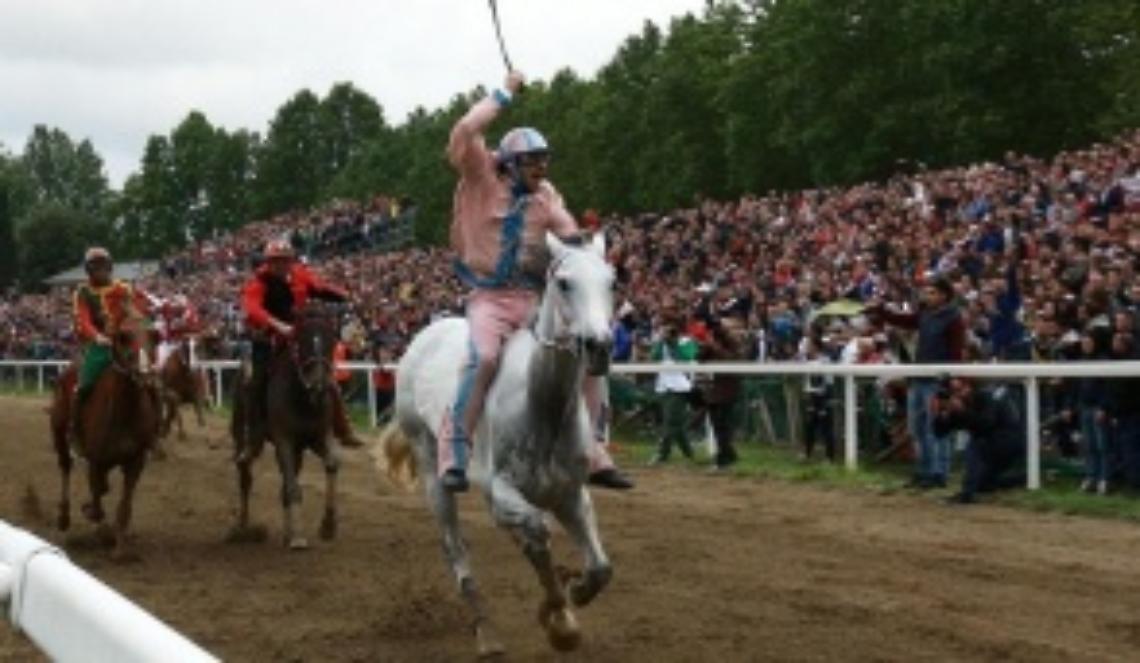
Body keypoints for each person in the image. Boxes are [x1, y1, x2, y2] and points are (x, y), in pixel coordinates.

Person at [439, 70, 632, 492]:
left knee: (588, 349)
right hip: (489, 299)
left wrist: (591, 251)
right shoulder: (479, 176)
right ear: (509, 164)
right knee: (484, 358)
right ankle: (454, 453)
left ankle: (596, 451)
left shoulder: (546, 196)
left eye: (545, 161)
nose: (541, 169)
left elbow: (569, 236)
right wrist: (504, 94)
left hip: (532, 299)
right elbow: (465, 130)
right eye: (532, 161)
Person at [240, 239, 364, 451]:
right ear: (268, 262)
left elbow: (320, 288)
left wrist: (345, 295)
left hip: (297, 337)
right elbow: (253, 309)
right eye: (276, 261)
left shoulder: (300, 274)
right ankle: (253, 436)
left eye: (285, 260)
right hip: (267, 338)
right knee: (255, 383)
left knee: (325, 376)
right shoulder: (258, 283)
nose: (281, 265)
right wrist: (278, 325)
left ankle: (343, 429)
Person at [871, 277, 966, 488]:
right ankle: (924, 471)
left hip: (937, 381)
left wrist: (952, 380)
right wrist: (881, 311)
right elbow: (903, 320)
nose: (927, 296)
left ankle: (939, 473)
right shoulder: (925, 315)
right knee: (917, 429)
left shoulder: (953, 318)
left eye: (932, 293)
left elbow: (956, 352)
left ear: (944, 295)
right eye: (926, 292)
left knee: (936, 428)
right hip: (918, 378)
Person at [70, 247, 155, 441]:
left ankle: (154, 429)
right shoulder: (82, 292)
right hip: (99, 344)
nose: (100, 270)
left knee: (150, 378)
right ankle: (75, 427)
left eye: (103, 265)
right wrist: (97, 336)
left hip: (124, 340)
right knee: (84, 385)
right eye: (95, 266)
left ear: (109, 267)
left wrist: (142, 323)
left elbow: (134, 312)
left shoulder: (123, 288)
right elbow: (82, 319)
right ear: (89, 270)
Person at [931, 376, 1025, 504]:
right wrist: (941, 415)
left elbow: (986, 424)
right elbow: (939, 433)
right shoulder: (959, 404)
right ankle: (1023, 479)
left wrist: (963, 411)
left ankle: (966, 495)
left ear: (969, 386)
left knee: (974, 444)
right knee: (982, 484)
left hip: (1008, 441)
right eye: (952, 392)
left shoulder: (985, 396)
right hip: (990, 447)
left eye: (958, 390)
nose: (956, 395)